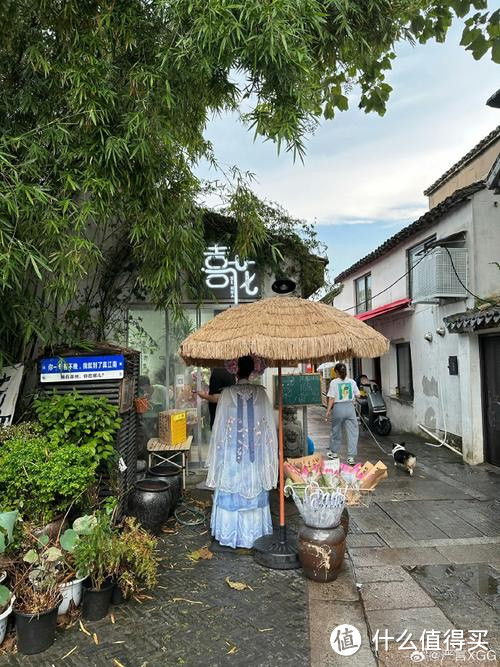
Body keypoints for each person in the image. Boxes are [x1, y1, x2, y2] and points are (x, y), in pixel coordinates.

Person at [206, 356, 278, 549]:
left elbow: (219, 427)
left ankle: (231, 534)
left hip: (231, 454)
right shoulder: (261, 393)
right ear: (253, 370)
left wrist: (219, 452)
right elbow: (269, 427)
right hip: (255, 454)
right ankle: (253, 534)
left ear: (235, 370)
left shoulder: (228, 393)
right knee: (253, 488)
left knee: (233, 488)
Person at [325, 362, 360, 465]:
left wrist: (327, 411)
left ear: (336, 372)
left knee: (336, 430)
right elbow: (358, 395)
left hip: (338, 408)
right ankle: (351, 457)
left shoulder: (334, 383)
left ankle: (334, 453)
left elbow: (331, 398)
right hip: (350, 408)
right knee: (353, 432)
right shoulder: (352, 382)